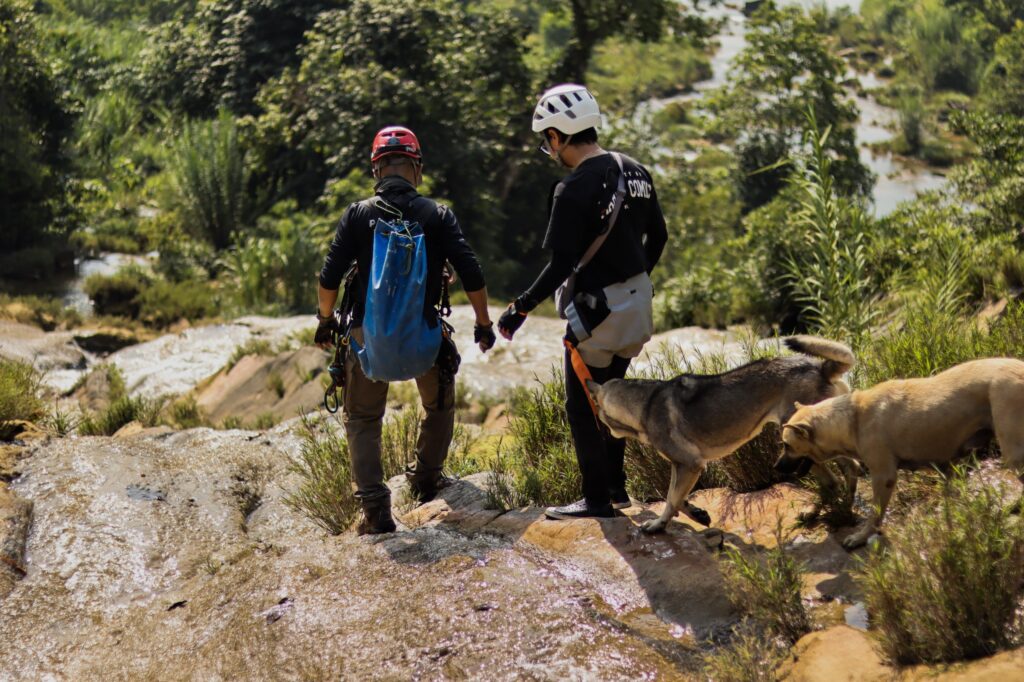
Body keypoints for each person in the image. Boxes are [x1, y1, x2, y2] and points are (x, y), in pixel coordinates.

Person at [498, 84, 667, 520]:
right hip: (637, 307)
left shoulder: (572, 188)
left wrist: (520, 307)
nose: (547, 147)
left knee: (583, 407)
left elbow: (561, 265)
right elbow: (660, 237)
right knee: (611, 399)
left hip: (597, 314)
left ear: (557, 137)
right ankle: (616, 490)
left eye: (546, 139)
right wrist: (636, 279)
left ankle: (596, 502)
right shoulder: (637, 171)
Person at [316, 126, 496, 535]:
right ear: (416, 168)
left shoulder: (358, 215)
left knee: (362, 418)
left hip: (368, 338)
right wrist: (484, 325)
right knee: (439, 406)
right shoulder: (437, 215)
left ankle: (376, 509)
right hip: (425, 337)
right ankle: (427, 478)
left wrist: (325, 322)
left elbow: (329, 278)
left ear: (376, 168)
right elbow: (472, 271)